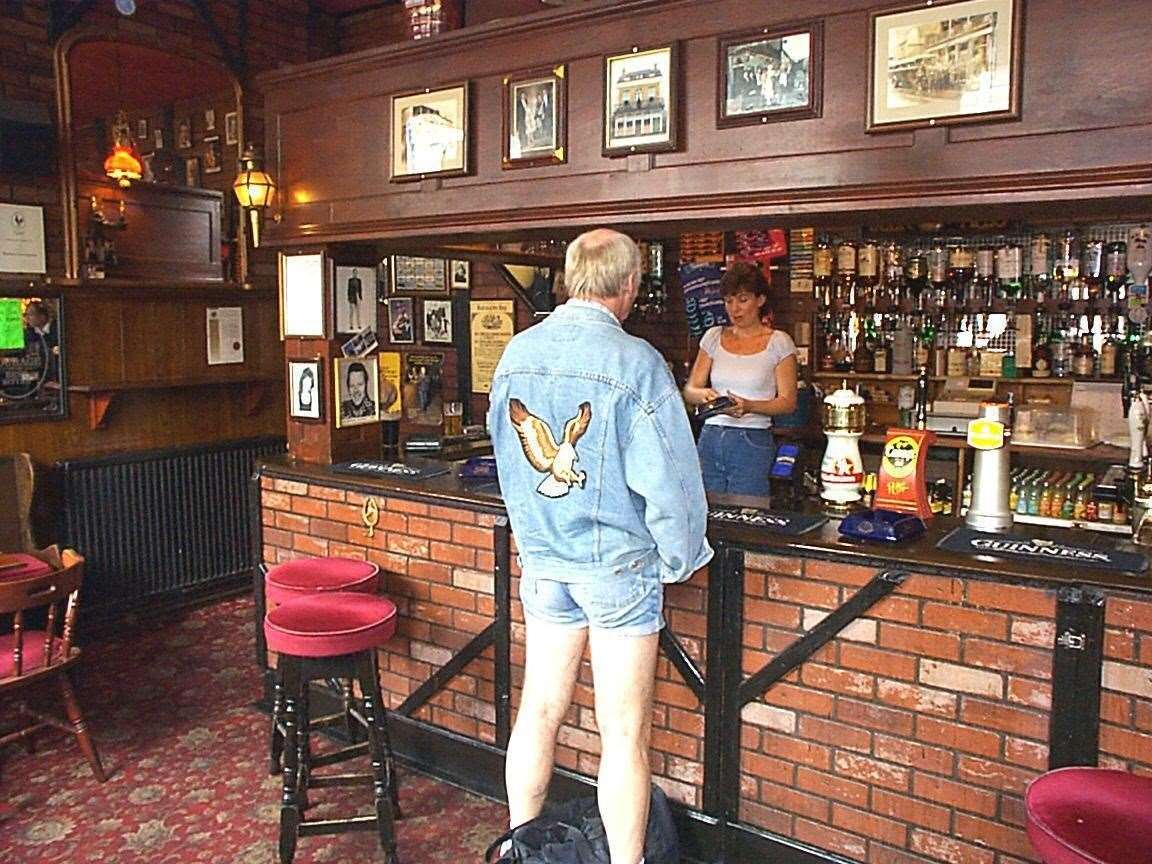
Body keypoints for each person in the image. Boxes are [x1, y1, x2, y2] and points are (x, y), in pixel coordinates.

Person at [488, 228, 712, 864]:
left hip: (545, 564)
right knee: (623, 734)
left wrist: (534, 535)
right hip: (617, 570)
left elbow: (506, 461)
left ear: (568, 278)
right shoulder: (636, 363)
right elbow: (671, 482)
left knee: (539, 711)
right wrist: (680, 556)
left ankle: (521, 848)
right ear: (630, 287)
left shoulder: (516, 355)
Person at [683, 260, 797, 497]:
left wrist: (750, 406)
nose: (735, 308)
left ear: (760, 300)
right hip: (711, 435)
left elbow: (787, 402)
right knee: (706, 512)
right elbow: (690, 389)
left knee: (749, 513)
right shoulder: (713, 336)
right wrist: (705, 395)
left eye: (743, 300)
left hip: (752, 439)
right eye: (729, 301)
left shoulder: (779, 342)